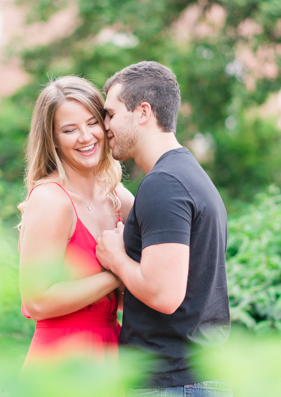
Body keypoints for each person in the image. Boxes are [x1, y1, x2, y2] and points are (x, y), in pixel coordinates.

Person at [95, 61, 232, 396]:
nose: (104, 125)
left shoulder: (164, 183)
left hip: (173, 382)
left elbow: (164, 295)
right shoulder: (185, 174)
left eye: (111, 114)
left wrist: (116, 260)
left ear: (143, 112)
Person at [18, 76, 134, 366]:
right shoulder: (51, 200)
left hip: (112, 352)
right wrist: (117, 273)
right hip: (61, 358)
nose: (86, 137)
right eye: (69, 130)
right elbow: (38, 301)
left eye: (92, 122)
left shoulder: (121, 200)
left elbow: (134, 294)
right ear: (53, 139)